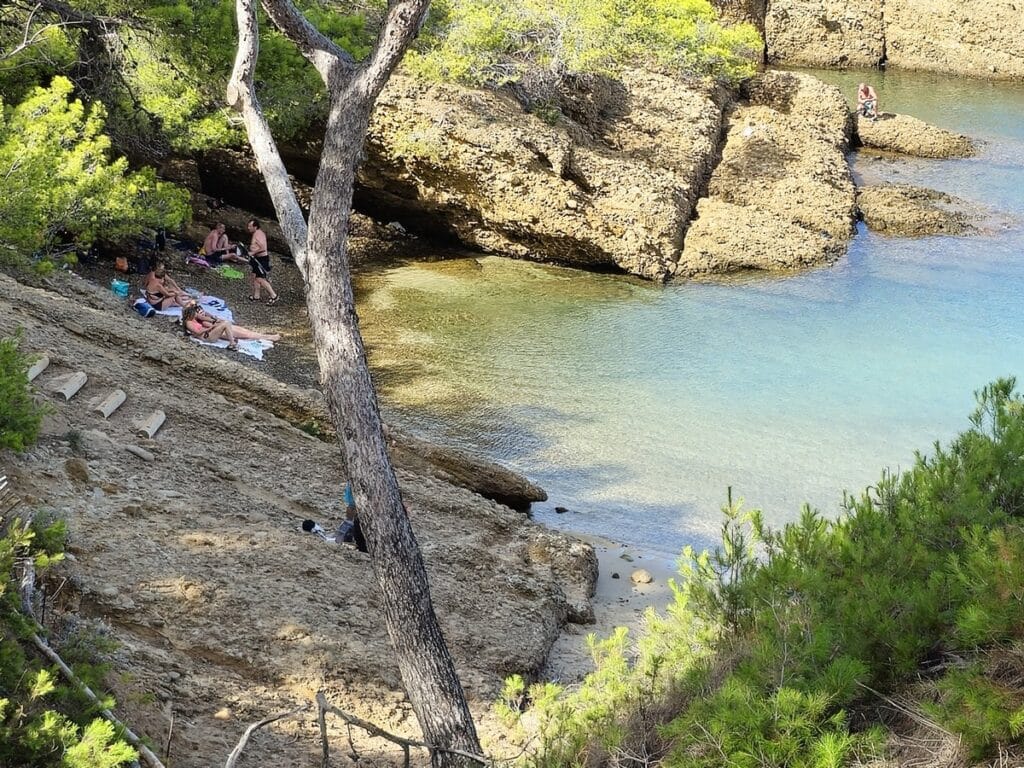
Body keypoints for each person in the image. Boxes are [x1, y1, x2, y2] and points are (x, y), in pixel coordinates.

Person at [181, 303, 282, 344]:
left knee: (242, 330)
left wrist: (213, 321)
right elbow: (198, 331)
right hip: (209, 334)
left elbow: (210, 318)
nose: (200, 313)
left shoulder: (198, 317)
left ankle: (264, 336)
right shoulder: (190, 322)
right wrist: (212, 326)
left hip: (212, 330)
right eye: (196, 312)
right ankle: (268, 337)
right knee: (245, 334)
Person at [246, 219, 280, 305]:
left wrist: (252, 252)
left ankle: (274, 296)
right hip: (257, 258)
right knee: (255, 277)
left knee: (260, 278)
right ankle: (256, 296)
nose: (248, 228)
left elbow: (263, 248)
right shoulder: (256, 233)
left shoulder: (259, 234)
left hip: (261, 259)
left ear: (255, 227)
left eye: (250, 226)